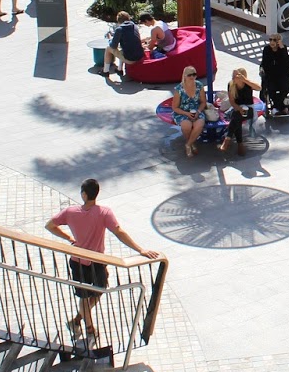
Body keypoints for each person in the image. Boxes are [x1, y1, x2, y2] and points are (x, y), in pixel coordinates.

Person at [45, 178, 161, 350]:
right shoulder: (104, 212)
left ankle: (77, 321)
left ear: (84, 194)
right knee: (97, 292)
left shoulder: (70, 212)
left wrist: (69, 238)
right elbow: (119, 232)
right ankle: (90, 328)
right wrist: (140, 249)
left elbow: (50, 226)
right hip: (98, 262)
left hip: (77, 261)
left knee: (87, 296)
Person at [168, 66, 208, 158]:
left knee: (199, 124)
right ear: (184, 76)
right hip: (182, 112)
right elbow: (175, 107)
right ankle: (192, 143)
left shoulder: (199, 85)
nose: (192, 77)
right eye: (190, 75)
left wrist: (198, 111)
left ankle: (188, 144)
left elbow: (203, 102)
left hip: (196, 110)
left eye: (194, 74)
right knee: (187, 125)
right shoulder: (179, 89)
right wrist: (186, 114)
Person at [222, 67, 258, 155]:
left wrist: (245, 80)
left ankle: (228, 138)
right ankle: (239, 145)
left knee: (236, 117)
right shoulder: (231, 85)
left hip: (249, 109)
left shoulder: (247, 84)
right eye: (232, 76)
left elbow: (259, 88)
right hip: (237, 108)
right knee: (237, 117)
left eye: (235, 76)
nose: (233, 78)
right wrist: (239, 108)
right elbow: (232, 102)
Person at [101, 11, 144, 79]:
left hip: (131, 59)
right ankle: (119, 69)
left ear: (118, 21)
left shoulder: (119, 29)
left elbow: (113, 46)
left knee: (108, 48)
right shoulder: (134, 26)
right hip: (140, 56)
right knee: (123, 48)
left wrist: (110, 39)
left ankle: (105, 71)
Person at [258, 33, 289, 111]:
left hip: (282, 74)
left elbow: (286, 62)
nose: (272, 42)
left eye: (274, 40)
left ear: (278, 41)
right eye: (270, 39)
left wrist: (282, 49)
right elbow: (264, 63)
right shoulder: (266, 49)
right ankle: (279, 107)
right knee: (271, 89)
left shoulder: (283, 49)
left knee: (284, 88)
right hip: (270, 74)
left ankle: (279, 107)